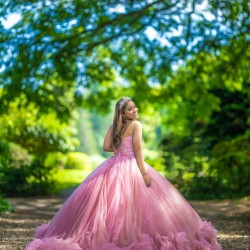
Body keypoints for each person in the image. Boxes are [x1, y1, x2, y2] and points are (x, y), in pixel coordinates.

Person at [26, 97, 222, 250]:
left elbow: (106, 146)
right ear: (123, 112)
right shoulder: (136, 125)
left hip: (114, 165)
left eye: (135, 107)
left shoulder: (116, 126)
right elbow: (138, 150)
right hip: (131, 165)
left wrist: (118, 147)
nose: (135, 110)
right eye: (130, 108)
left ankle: (110, 236)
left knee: (109, 206)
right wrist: (143, 173)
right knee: (135, 207)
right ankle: (127, 238)